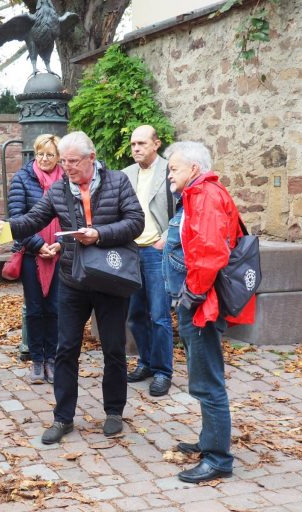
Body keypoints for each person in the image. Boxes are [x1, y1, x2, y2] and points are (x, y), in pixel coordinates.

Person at [0, 131, 144, 444]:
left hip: (111, 279)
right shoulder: (60, 188)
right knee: (66, 349)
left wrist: (99, 234)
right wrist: (4, 229)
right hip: (74, 279)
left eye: (73, 161)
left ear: (92, 158)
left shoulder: (118, 182)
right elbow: (34, 219)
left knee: (114, 348)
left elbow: (136, 221)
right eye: (63, 162)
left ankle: (114, 411)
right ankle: (63, 417)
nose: (67, 168)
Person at [161, 141, 256, 483]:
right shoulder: (199, 194)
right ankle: (208, 441)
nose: (169, 173)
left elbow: (211, 252)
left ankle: (218, 459)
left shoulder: (204, 196)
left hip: (202, 304)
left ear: (195, 169)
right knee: (204, 378)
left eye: (174, 168)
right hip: (200, 300)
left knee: (207, 382)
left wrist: (193, 296)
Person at [121, 125, 176, 397]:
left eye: (141, 143)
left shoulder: (170, 171)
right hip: (131, 252)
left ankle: (163, 372)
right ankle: (145, 362)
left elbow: (182, 211)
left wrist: (166, 238)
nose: (136, 149)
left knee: (159, 315)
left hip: (156, 251)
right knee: (135, 315)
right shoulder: (125, 175)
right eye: (132, 144)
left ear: (156, 144)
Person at [7, 134, 63, 384]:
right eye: (40, 153)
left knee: (55, 308)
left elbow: (77, 217)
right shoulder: (22, 178)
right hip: (32, 254)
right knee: (35, 308)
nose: (44, 159)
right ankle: (37, 360)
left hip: (61, 253)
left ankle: (53, 358)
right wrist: (39, 245)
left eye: (49, 154)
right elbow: (17, 218)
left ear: (58, 156)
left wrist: (61, 244)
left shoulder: (66, 180)